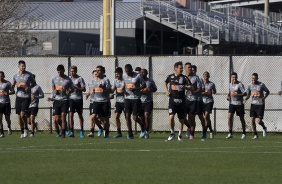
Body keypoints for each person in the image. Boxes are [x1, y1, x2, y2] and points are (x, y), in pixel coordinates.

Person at [164, 61, 192, 141]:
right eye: (180, 68)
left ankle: (180, 135)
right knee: (171, 117)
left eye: (182, 68)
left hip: (181, 102)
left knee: (181, 119)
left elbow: (191, 87)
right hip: (172, 101)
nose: (182, 70)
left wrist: (186, 87)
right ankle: (172, 133)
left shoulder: (184, 78)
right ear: (175, 68)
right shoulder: (170, 77)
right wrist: (166, 91)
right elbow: (165, 83)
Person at [12, 60, 35, 138]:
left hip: (26, 97)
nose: (23, 67)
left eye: (24, 66)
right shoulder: (15, 76)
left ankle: (26, 128)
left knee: (22, 115)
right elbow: (13, 84)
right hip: (18, 97)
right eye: (22, 66)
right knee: (19, 116)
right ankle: (22, 131)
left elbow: (34, 83)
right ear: (19, 67)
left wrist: (29, 87)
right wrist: (11, 87)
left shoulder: (29, 75)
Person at [88, 66, 111, 138]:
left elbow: (109, 90)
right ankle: (99, 128)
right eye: (96, 70)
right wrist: (91, 91)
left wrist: (103, 88)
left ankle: (106, 133)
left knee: (105, 119)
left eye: (99, 70)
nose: (97, 72)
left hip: (104, 101)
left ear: (103, 72)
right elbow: (91, 90)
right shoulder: (93, 80)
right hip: (96, 101)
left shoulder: (106, 80)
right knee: (93, 117)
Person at [244, 73, 269, 139]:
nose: (253, 80)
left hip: (260, 105)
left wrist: (263, 98)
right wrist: (245, 99)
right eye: (252, 78)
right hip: (253, 104)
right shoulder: (249, 85)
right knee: (252, 120)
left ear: (257, 78)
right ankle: (255, 135)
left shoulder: (261, 85)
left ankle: (264, 127)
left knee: (258, 121)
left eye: (255, 79)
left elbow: (267, 92)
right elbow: (248, 94)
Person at [124, 64, 146, 139]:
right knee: (127, 116)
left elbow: (144, 85)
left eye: (129, 71)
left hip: (136, 98)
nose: (128, 73)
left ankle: (143, 127)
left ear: (132, 69)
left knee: (135, 118)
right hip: (127, 98)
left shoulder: (138, 76)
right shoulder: (124, 76)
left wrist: (136, 89)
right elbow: (123, 85)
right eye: (126, 72)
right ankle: (130, 133)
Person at [52, 64, 74, 138]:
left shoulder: (68, 79)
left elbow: (72, 89)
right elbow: (53, 86)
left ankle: (63, 133)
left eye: (61, 72)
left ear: (64, 71)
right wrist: (54, 90)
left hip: (65, 100)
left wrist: (69, 92)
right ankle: (64, 128)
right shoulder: (54, 79)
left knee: (63, 116)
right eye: (58, 72)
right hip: (57, 100)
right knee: (57, 119)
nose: (59, 73)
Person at [226, 72, 247, 139]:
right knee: (229, 117)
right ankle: (230, 133)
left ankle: (244, 133)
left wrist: (237, 95)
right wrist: (228, 96)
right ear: (231, 78)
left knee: (241, 118)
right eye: (233, 77)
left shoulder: (240, 84)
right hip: (232, 103)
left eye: (235, 77)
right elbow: (230, 92)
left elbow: (245, 93)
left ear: (237, 77)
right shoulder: (230, 84)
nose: (234, 78)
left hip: (239, 104)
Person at [184, 62, 201, 140]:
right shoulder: (183, 77)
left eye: (191, 67)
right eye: (189, 67)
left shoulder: (196, 78)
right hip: (184, 100)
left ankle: (192, 134)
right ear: (185, 69)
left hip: (193, 100)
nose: (190, 69)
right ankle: (189, 128)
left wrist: (193, 92)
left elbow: (200, 89)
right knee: (183, 117)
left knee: (191, 117)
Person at [68, 66, 86, 138]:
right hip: (71, 99)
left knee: (80, 115)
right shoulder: (68, 79)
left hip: (78, 99)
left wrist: (77, 88)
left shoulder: (80, 79)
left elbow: (84, 89)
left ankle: (81, 131)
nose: (72, 73)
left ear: (76, 71)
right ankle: (71, 131)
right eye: (71, 71)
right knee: (71, 114)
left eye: (74, 71)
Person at [191, 65, 208, 139]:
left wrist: (194, 91)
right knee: (191, 117)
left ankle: (204, 132)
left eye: (194, 70)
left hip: (198, 100)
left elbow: (202, 89)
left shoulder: (198, 78)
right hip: (190, 101)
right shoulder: (188, 78)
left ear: (196, 70)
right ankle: (192, 134)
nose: (192, 71)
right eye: (191, 70)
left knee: (201, 117)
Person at [139, 68, 157, 138]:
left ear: (147, 73)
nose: (142, 74)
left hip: (148, 101)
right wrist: (140, 90)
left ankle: (147, 131)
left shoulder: (150, 81)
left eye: (144, 72)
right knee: (141, 118)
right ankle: (142, 130)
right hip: (140, 101)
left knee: (146, 116)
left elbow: (155, 89)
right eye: (141, 72)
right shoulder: (138, 81)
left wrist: (149, 89)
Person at [202, 71, 216, 139]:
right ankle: (211, 130)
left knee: (206, 116)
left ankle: (204, 133)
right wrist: (205, 93)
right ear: (203, 76)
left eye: (207, 75)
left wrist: (213, 91)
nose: (206, 76)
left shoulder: (211, 84)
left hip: (209, 101)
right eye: (205, 75)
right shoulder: (201, 84)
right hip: (202, 102)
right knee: (207, 118)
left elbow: (214, 91)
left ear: (209, 76)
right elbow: (199, 92)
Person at [111, 67, 125, 138]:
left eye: (118, 74)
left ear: (121, 73)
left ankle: (130, 131)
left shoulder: (125, 80)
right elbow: (112, 90)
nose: (117, 75)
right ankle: (119, 132)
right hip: (118, 102)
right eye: (116, 74)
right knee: (116, 116)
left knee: (127, 117)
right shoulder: (115, 81)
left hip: (126, 101)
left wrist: (124, 90)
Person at [0, 71, 14, 138]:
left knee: (7, 118)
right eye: (0, 76)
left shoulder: (7, 83)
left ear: (4, 76)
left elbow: (13, 91)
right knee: (0, 119)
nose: (0, 77)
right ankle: (2, 133)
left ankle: (9, 126)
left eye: (2, 76)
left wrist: (7, 93)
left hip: (6, 103)